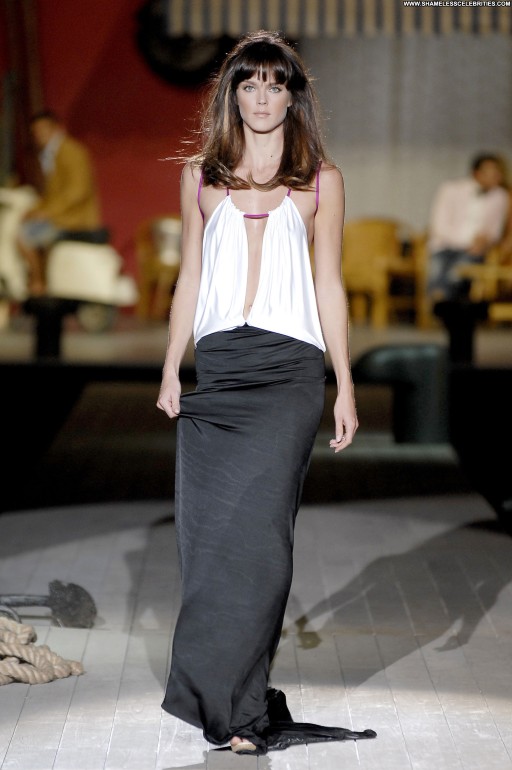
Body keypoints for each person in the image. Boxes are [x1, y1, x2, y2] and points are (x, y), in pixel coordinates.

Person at [156, 31, 376, 756]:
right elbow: (189, 277)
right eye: (248, 85)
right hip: (220, 373)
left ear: (292, 96)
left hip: (288, 375)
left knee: (263, 549)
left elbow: (329, 285)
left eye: (274, 85)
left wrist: (344, 384)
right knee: (211, 546)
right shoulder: (201, 177)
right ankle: (229, 706)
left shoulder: (321, 181)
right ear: (232, 96)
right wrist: (171, 367)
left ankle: (245, 708)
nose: (260, 98)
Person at [17, 109, 101, 295]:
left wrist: (47, 212)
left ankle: (39, 283)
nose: (39, 135)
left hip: (74, 219)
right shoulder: (53, 154)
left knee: (24, 237)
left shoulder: (71, 152)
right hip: (61, 216)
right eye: (36, 132)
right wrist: (35, 210)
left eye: (43, 130)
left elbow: (77, 191)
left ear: (55, 128)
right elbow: (52, 194)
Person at [427, 153, 509, 302]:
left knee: (457, 274)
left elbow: (495, 231)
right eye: (491, 172)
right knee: (437, 272)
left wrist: (485, 241)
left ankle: (443, 304)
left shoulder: (501, 197)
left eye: (498, 172)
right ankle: (441, 302)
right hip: (444, 246)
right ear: (476, 173)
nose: (497, 176)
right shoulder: (450, 189)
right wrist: (468, 241)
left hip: (475, 251)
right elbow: (439, 225)